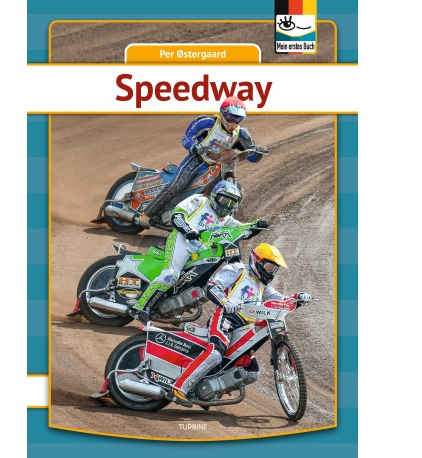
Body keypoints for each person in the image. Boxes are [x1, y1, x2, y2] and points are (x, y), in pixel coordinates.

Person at [167, 243, 312, 407]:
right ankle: (179, 388)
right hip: (226, 318)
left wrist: (297, 298)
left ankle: (209, 390)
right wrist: (226, 302)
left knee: (252, 372)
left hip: (245, 327)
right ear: (257, 261)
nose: (271, 272)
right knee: (215, 354)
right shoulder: (237, 269)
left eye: (274, 269)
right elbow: (213, 286)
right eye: (269, 267)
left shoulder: (262, 285)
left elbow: (280, 300)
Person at [128, 180, 269, 325]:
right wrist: (187, 230)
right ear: (214, 195)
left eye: (231, 203)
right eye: (224, 200)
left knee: (200, 283)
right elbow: (178, 214)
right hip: (182, 240)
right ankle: (139, 307)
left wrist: (257, 225)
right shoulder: (199, 201)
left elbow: (242, 228)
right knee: (171, 276)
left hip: (200, 251)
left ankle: (173, 307)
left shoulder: (226, 219)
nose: (226, 205)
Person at [135, 97, 268, 226]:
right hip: (197, 160)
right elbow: (187, 137)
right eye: (230, 117)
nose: (233, 122)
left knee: (237, 189)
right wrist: (193, 146)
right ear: (222, 113)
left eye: (238, 119)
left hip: (220, 166)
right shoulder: (207, 122)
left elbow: (252, 157)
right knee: (177, 185)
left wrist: (257, 152)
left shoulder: (242, 133)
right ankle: (146, 214)